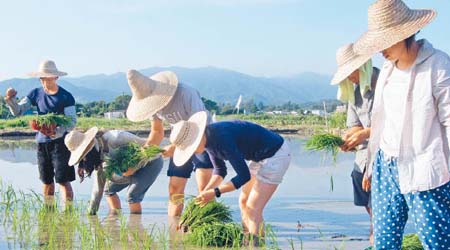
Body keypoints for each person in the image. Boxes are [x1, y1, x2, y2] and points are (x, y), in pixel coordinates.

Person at [354, 0, 450, 249]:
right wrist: (370, 166)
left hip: (424, 168)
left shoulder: (438, 65)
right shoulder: (387, 70)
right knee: (384, 243)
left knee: (436, 242)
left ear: (405, 33)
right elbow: (381, 120)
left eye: (384, 42)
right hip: (386, 168)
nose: (380, 50)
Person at [169, 111, 291, 244]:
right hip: (259, 156)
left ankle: (257, 244)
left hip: (275, 155)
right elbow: (220, 171)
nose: (191, 152)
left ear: (196, 139)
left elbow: (243, 176)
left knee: (253, 209)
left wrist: (215, 192)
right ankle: (247, 240)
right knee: (244, 201)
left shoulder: (221, 138)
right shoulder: (208, 140)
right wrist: (202, 196)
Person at [125, 70, 213, 217]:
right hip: (179, 142)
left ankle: (206, 226)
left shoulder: (186, 93)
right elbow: (157, 132)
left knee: (204, 188)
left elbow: (199, 125)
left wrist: (173, 147)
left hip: (204, 138)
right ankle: (173, 233)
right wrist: (144, 154)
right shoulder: (152, 106)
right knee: (174, 190)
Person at [4, 60, 76, 207]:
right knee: (46, 180)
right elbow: (19, 111)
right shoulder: (35, 94)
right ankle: (48, 212)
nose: (46, 81)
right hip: (42, 143)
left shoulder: (66, 96)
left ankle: (68, 215)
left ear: (56, 77)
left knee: (63, 179)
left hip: (61, 143)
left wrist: (56, 131)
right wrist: (11, 100)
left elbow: (71, 121)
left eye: (49, 77)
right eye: (43, 78)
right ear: (40, 78)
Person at [331, 43, 380, 244]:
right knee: (369, 207)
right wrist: (348, 139)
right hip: (361, 158)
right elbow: (354, 125)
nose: (350, 77)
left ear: (363, 66)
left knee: (380, 208)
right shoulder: (356, 93)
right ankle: (376, 237)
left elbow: (397, 123)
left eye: (351, 72)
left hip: (382, 158)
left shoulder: (385, 83)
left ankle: (378, 240)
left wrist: (365, 133)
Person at [65, 127, 163, 215]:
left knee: (132, 195)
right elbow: (98, 188)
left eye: (84, 156)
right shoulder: (97, 156)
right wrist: (91, 213)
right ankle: (115, 219)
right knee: (108, 189)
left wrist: (133, 168)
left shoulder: (117, 138)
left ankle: (135, 227)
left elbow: (147, 150)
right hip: (127, 168)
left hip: (151, 162)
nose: (84, 160)